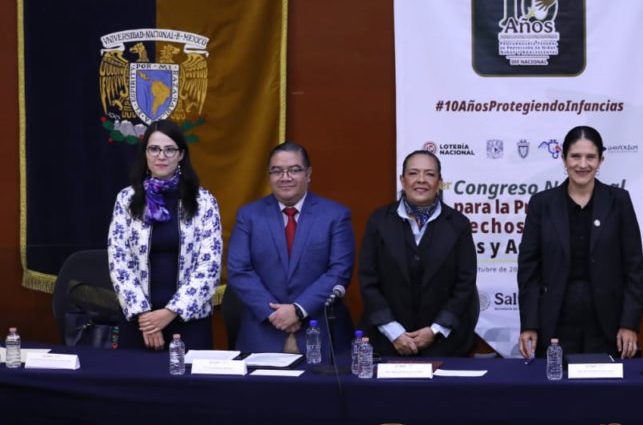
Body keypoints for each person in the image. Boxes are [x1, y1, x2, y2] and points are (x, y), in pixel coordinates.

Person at [517, 126, 643, 359]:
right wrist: (530, 324)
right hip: (554, 324)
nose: (583, 164)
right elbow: (528, 270)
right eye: (575, 156)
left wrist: (629, 323)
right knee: (555, 391)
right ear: (563, 159)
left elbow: (634, 268)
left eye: (590, 157)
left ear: (601, 161)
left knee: (607, 394)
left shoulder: (619, 201)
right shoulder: (542, 204)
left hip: (608, 325)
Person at [227, 141, 355, 354]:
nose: (285, 177)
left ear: (309, 173)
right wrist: (276, 315)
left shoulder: (335, 216)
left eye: (294, 170)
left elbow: (339, 271)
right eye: (277, 171)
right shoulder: (248, 216)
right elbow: (239, 271)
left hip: (321, 335)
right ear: (269, 175)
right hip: (262, 334)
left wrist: (298, 310)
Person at [107, 119, 222, 350]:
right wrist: (146, 318)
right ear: (145, 154)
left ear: (181, 155)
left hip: (189, 319)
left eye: (170, 149)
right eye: (154, 149)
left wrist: (170, 312)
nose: (162, 156)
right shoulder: (126, 199)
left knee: (188, 386)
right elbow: (119, 261)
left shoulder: (203, 201)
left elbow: (210, 266)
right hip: (139, 321)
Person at [359, 150, 479, 357]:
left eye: (430, 174)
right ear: (402, 180)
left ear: (440, 182)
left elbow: (465, 284)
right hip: (387, 342)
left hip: (445, 345)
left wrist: (435, 330)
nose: (421, 180)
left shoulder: (458, 224)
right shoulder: (379, 221)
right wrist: (394, 332)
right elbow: (368, 281)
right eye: (414, 173)